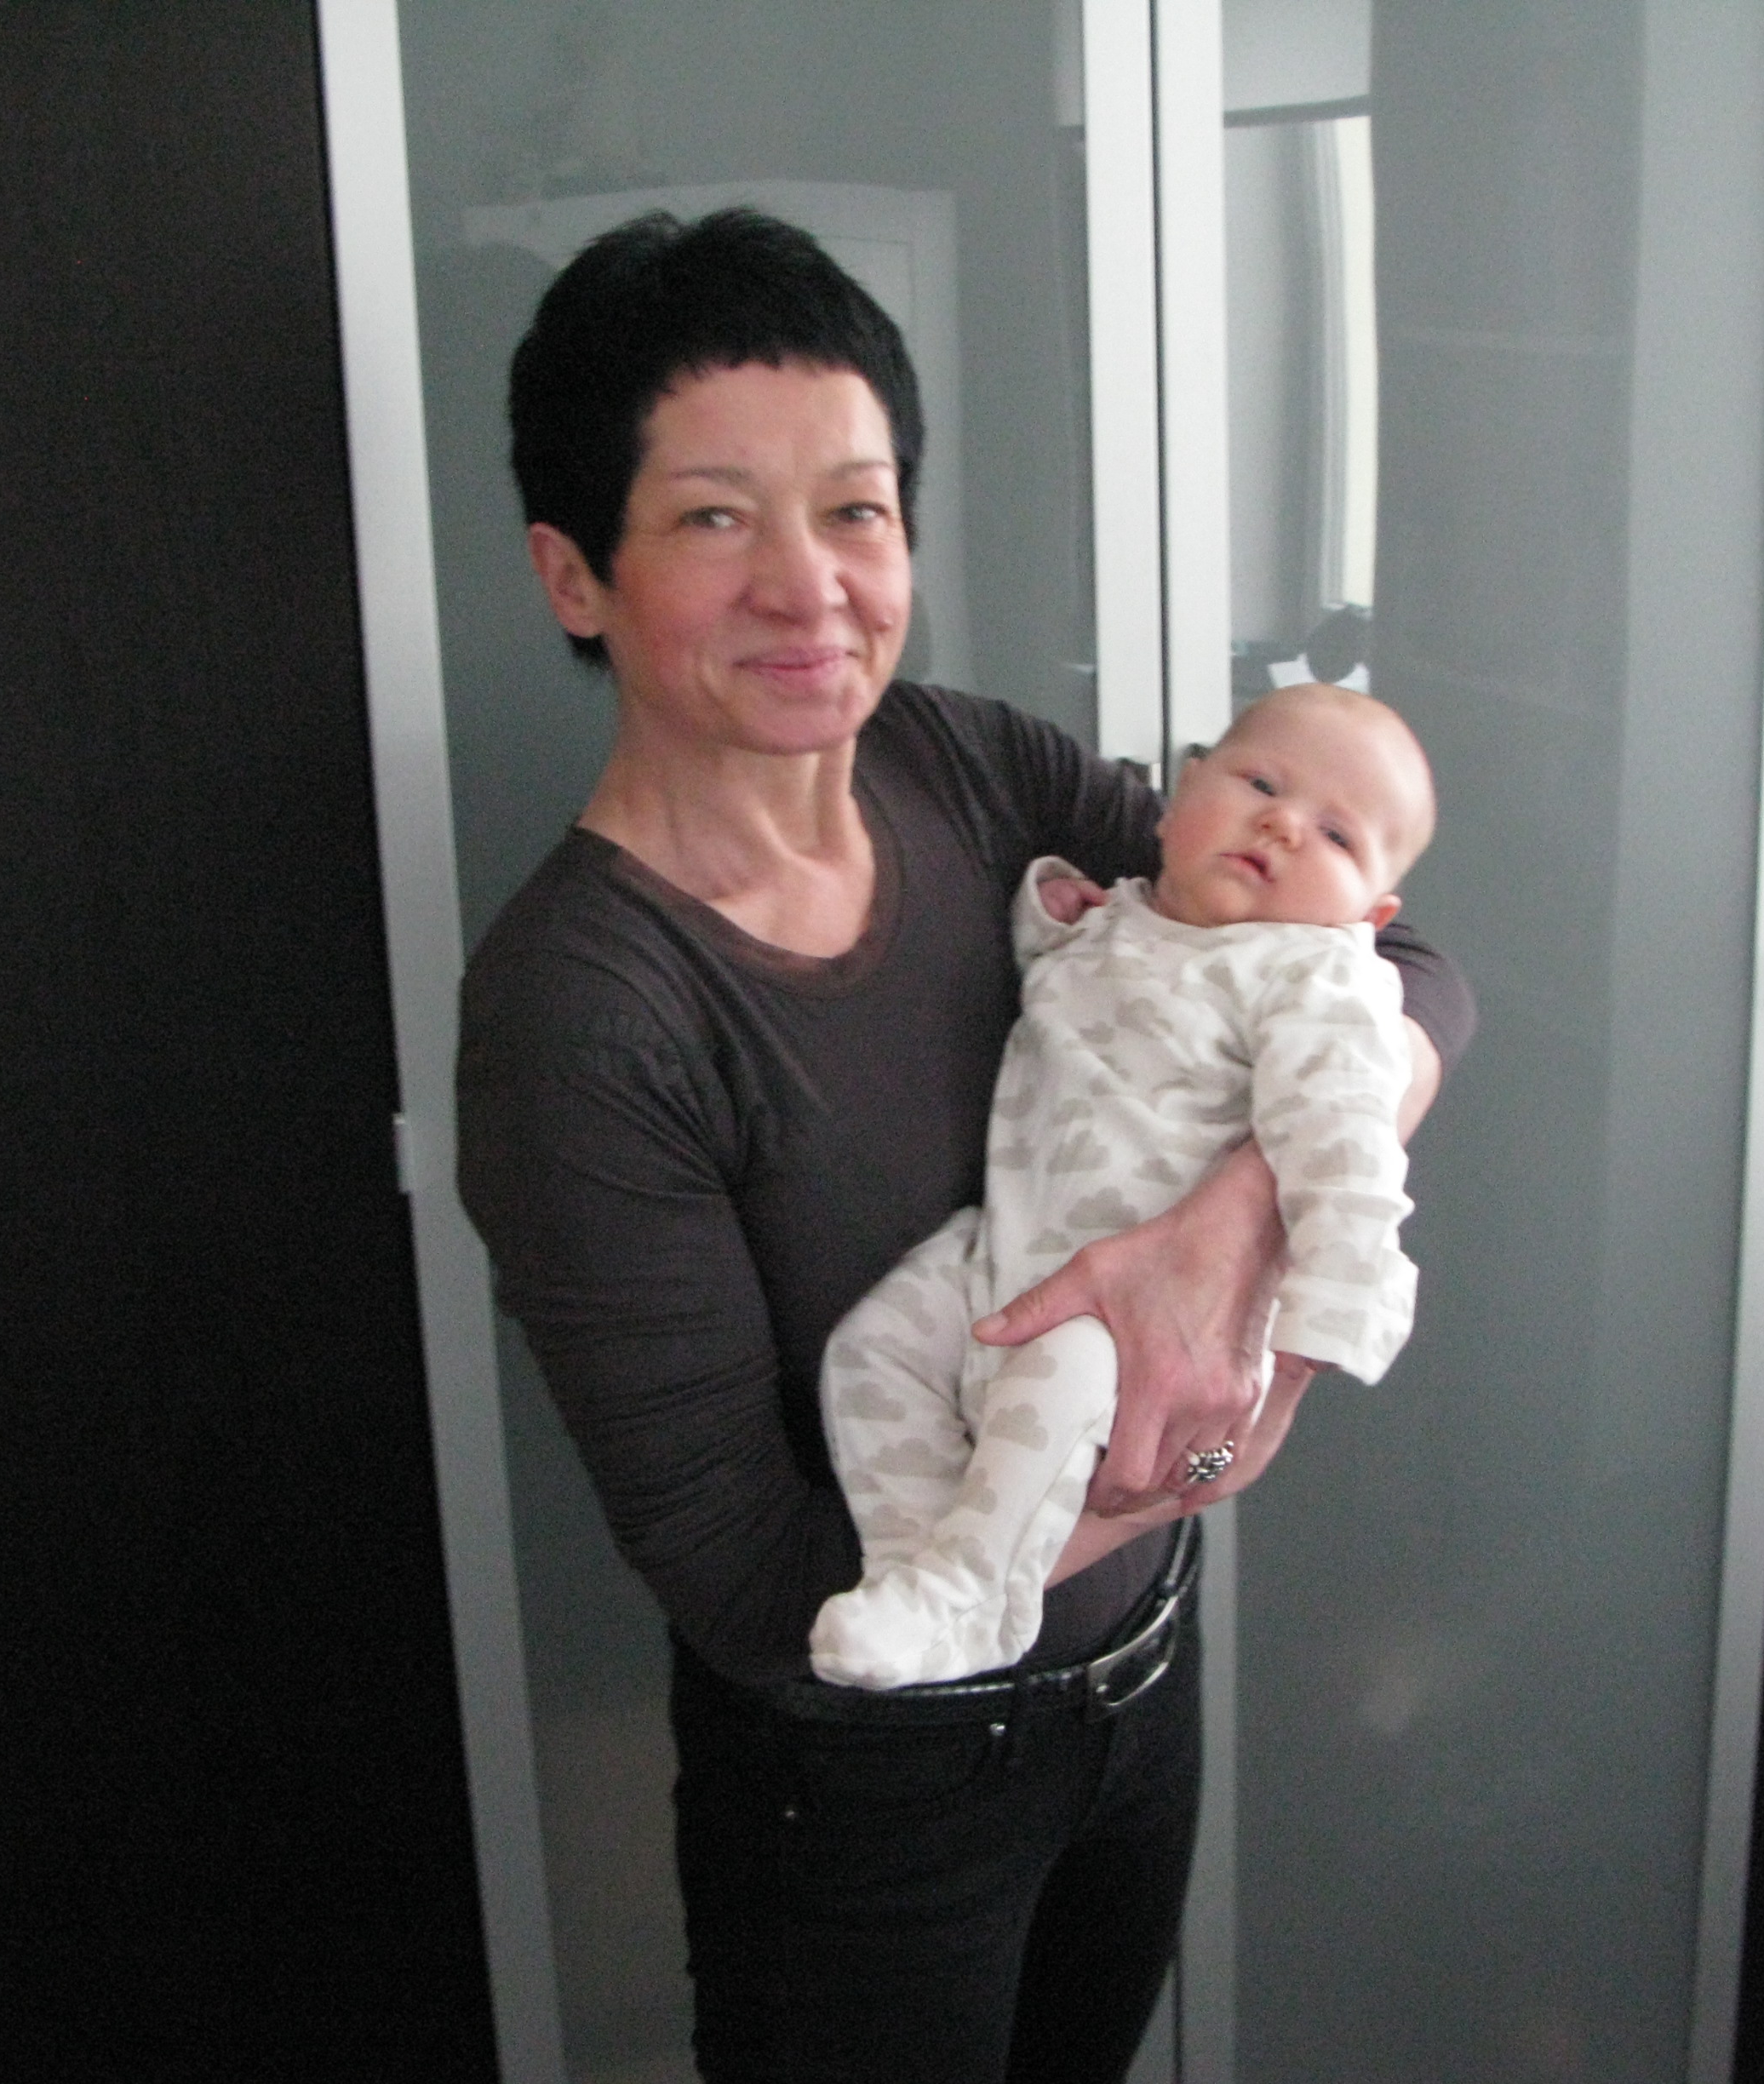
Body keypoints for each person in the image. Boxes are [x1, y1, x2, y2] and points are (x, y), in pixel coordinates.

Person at [455, 208, 1473, 2084]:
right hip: (871, 1789)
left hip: (1135, 1691)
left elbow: (1399, 967)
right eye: (712, 517)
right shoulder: (584, 1017)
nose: (809, 587)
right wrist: (1184, 1456)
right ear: (572, 574)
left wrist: (1231, 1233)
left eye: (854, 509)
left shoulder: (969, 768)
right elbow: (755, 1583)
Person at [810, 682, 1437, 1688]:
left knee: (1058, 1383)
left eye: (1335, 834)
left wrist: (1312, 1340)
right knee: (874, 1347)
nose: (1282, 824)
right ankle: (915, 1568)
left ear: (1372, 914)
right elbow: (1065, 1002)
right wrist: (1051, 913)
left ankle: (973, 1587)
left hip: (1125, 1331)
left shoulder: (1315, 978)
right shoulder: (1124, 916)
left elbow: (1347, 1153)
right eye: (1261, 784)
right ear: (1180, 794)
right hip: (1003, 1259)